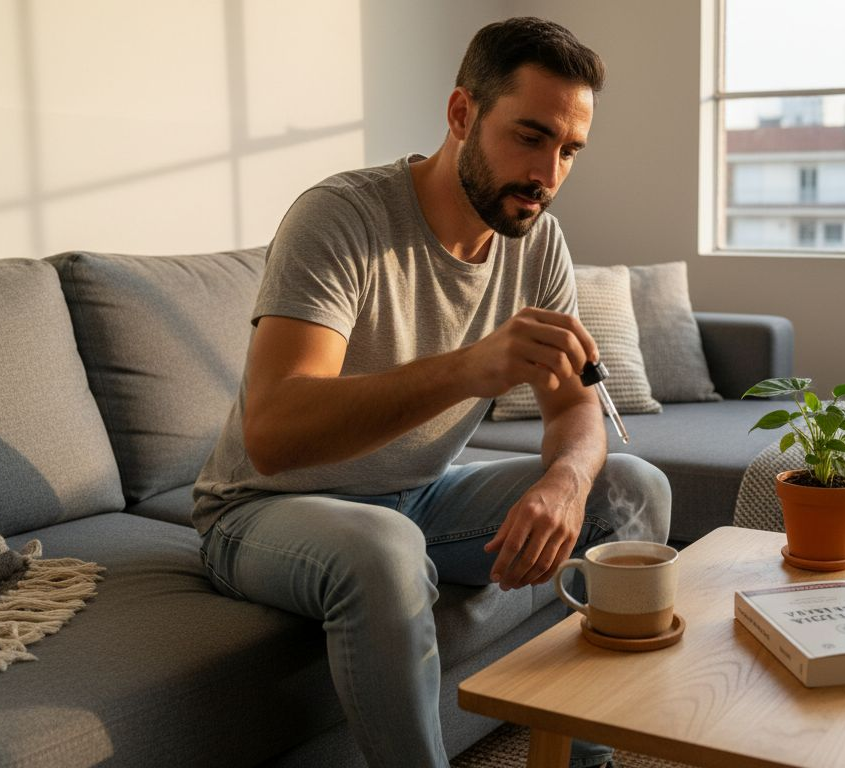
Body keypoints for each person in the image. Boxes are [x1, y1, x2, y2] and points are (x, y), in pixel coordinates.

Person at [191, 16, 670, 768]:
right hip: (261, 508)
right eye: (530, 135)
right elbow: (275, 432)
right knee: (385, 548)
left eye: (569, 150)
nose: (548, 172)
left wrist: (567, 483)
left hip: (419, 494)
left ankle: (584, 760)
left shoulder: (538, 238)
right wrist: (471, 367)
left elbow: (577, 405)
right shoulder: (341, 218)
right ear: (460, 115)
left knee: (632, 489)